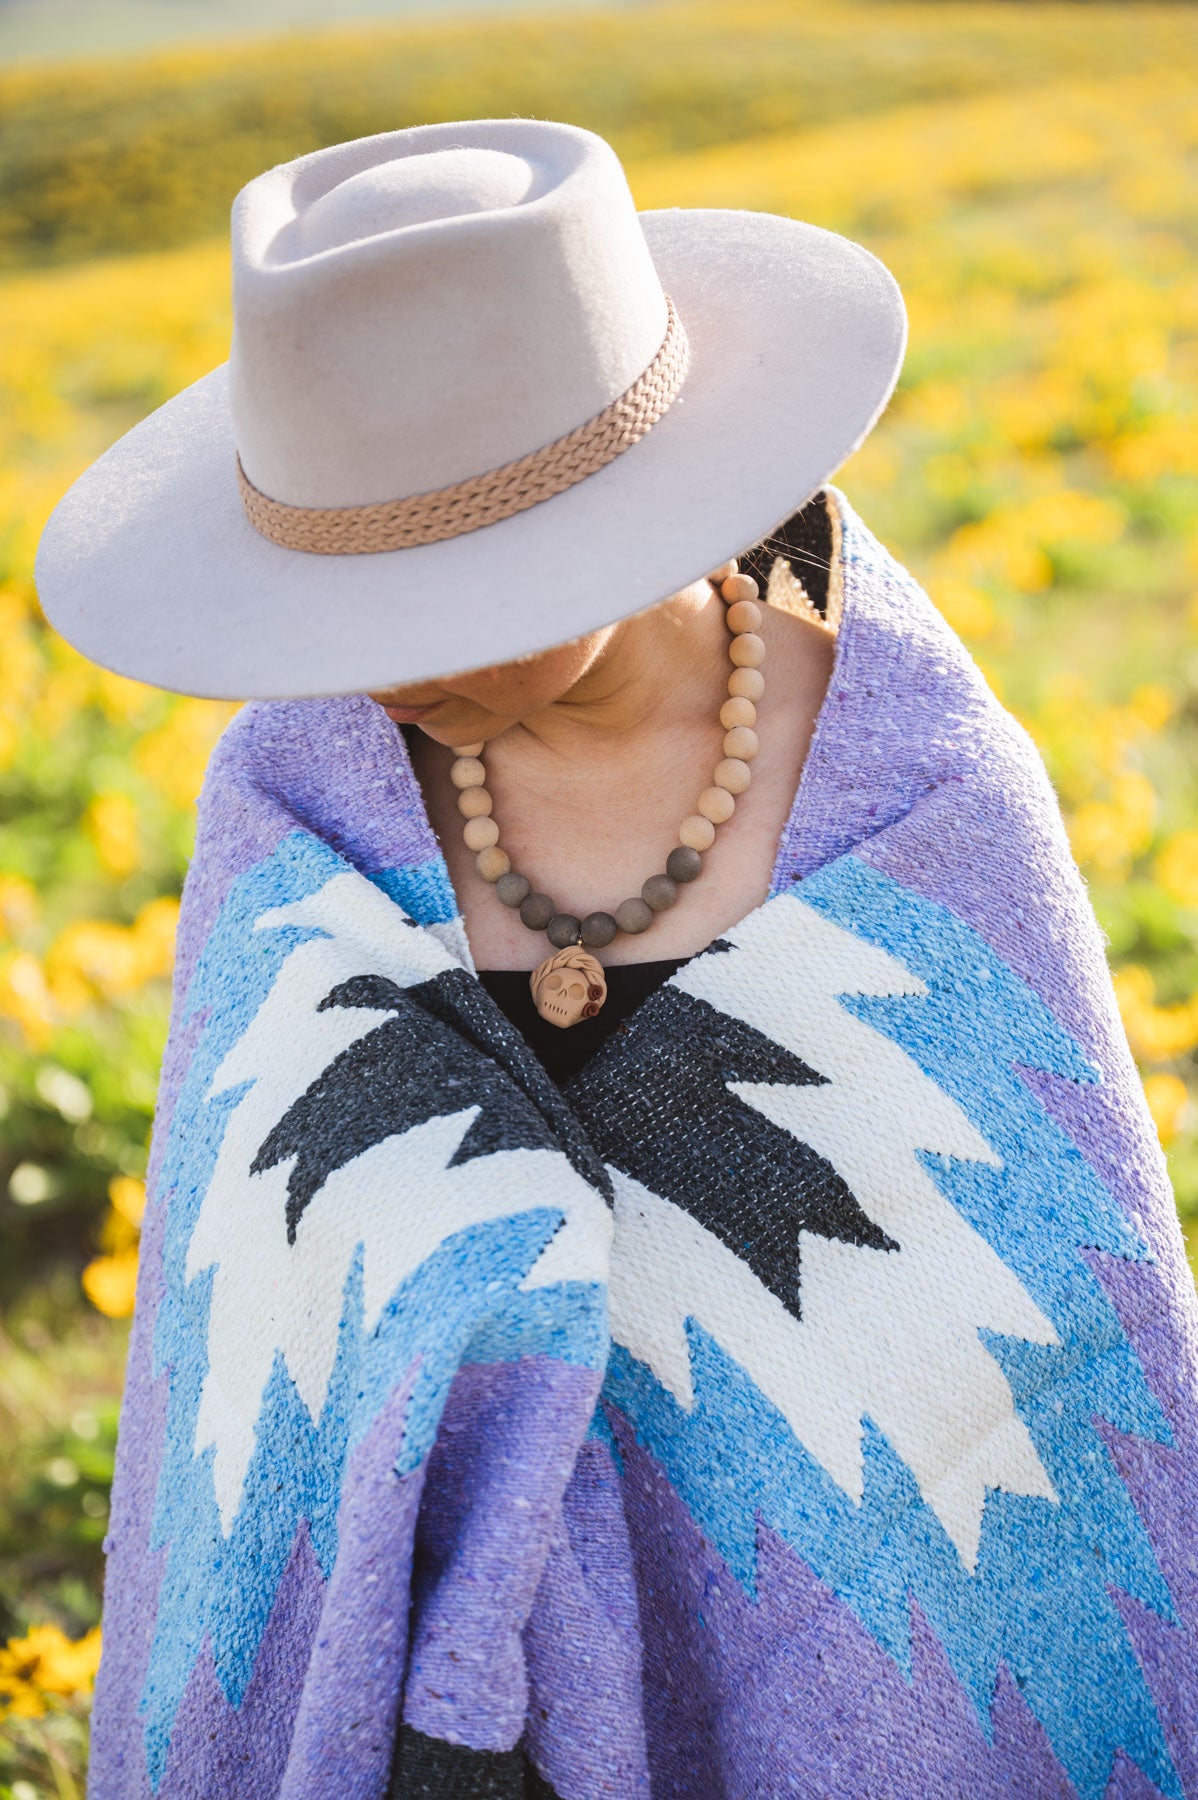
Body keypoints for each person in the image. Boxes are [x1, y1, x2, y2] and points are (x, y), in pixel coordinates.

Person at [35, 118, 1198, 1800]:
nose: (374, 668)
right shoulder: (292, 804)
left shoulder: (924, 804)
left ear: (632, 503)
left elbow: (1030, 1375)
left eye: (439, 591)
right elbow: (259, 1329)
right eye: (332, 599)